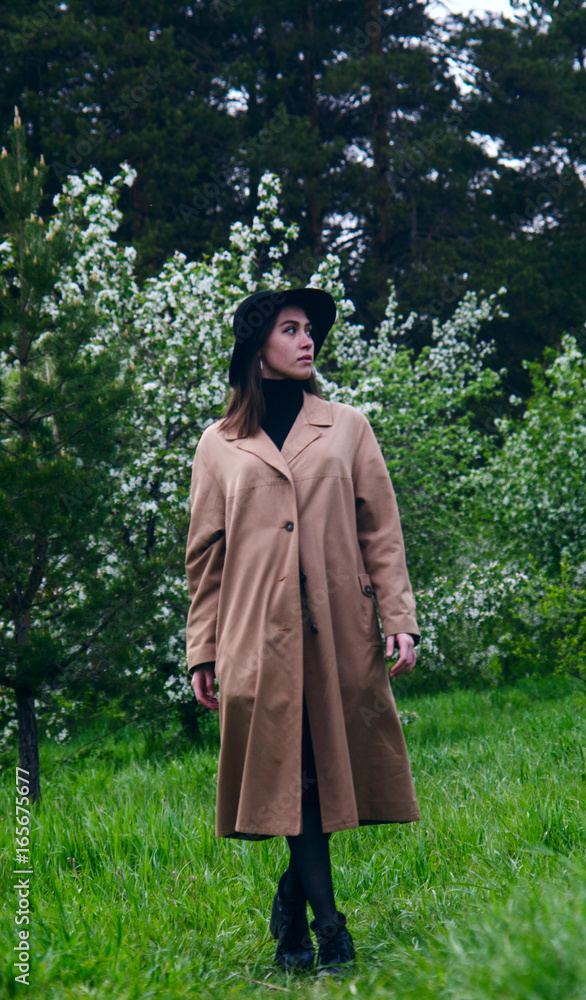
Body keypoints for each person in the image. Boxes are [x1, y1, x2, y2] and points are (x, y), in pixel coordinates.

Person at [185, 287, 421, 978]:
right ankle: (328, 927)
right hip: (257, 639)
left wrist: (400, 619)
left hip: (339, 634)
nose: (307, 339)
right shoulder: (219, 444)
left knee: (319, 778)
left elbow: (381, 531)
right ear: (257, 348)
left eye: (310, 329)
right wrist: (202, 648)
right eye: (290, 329)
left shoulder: (347, 427)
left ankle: (294, 906)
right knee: (296, 780)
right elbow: (205, 558)